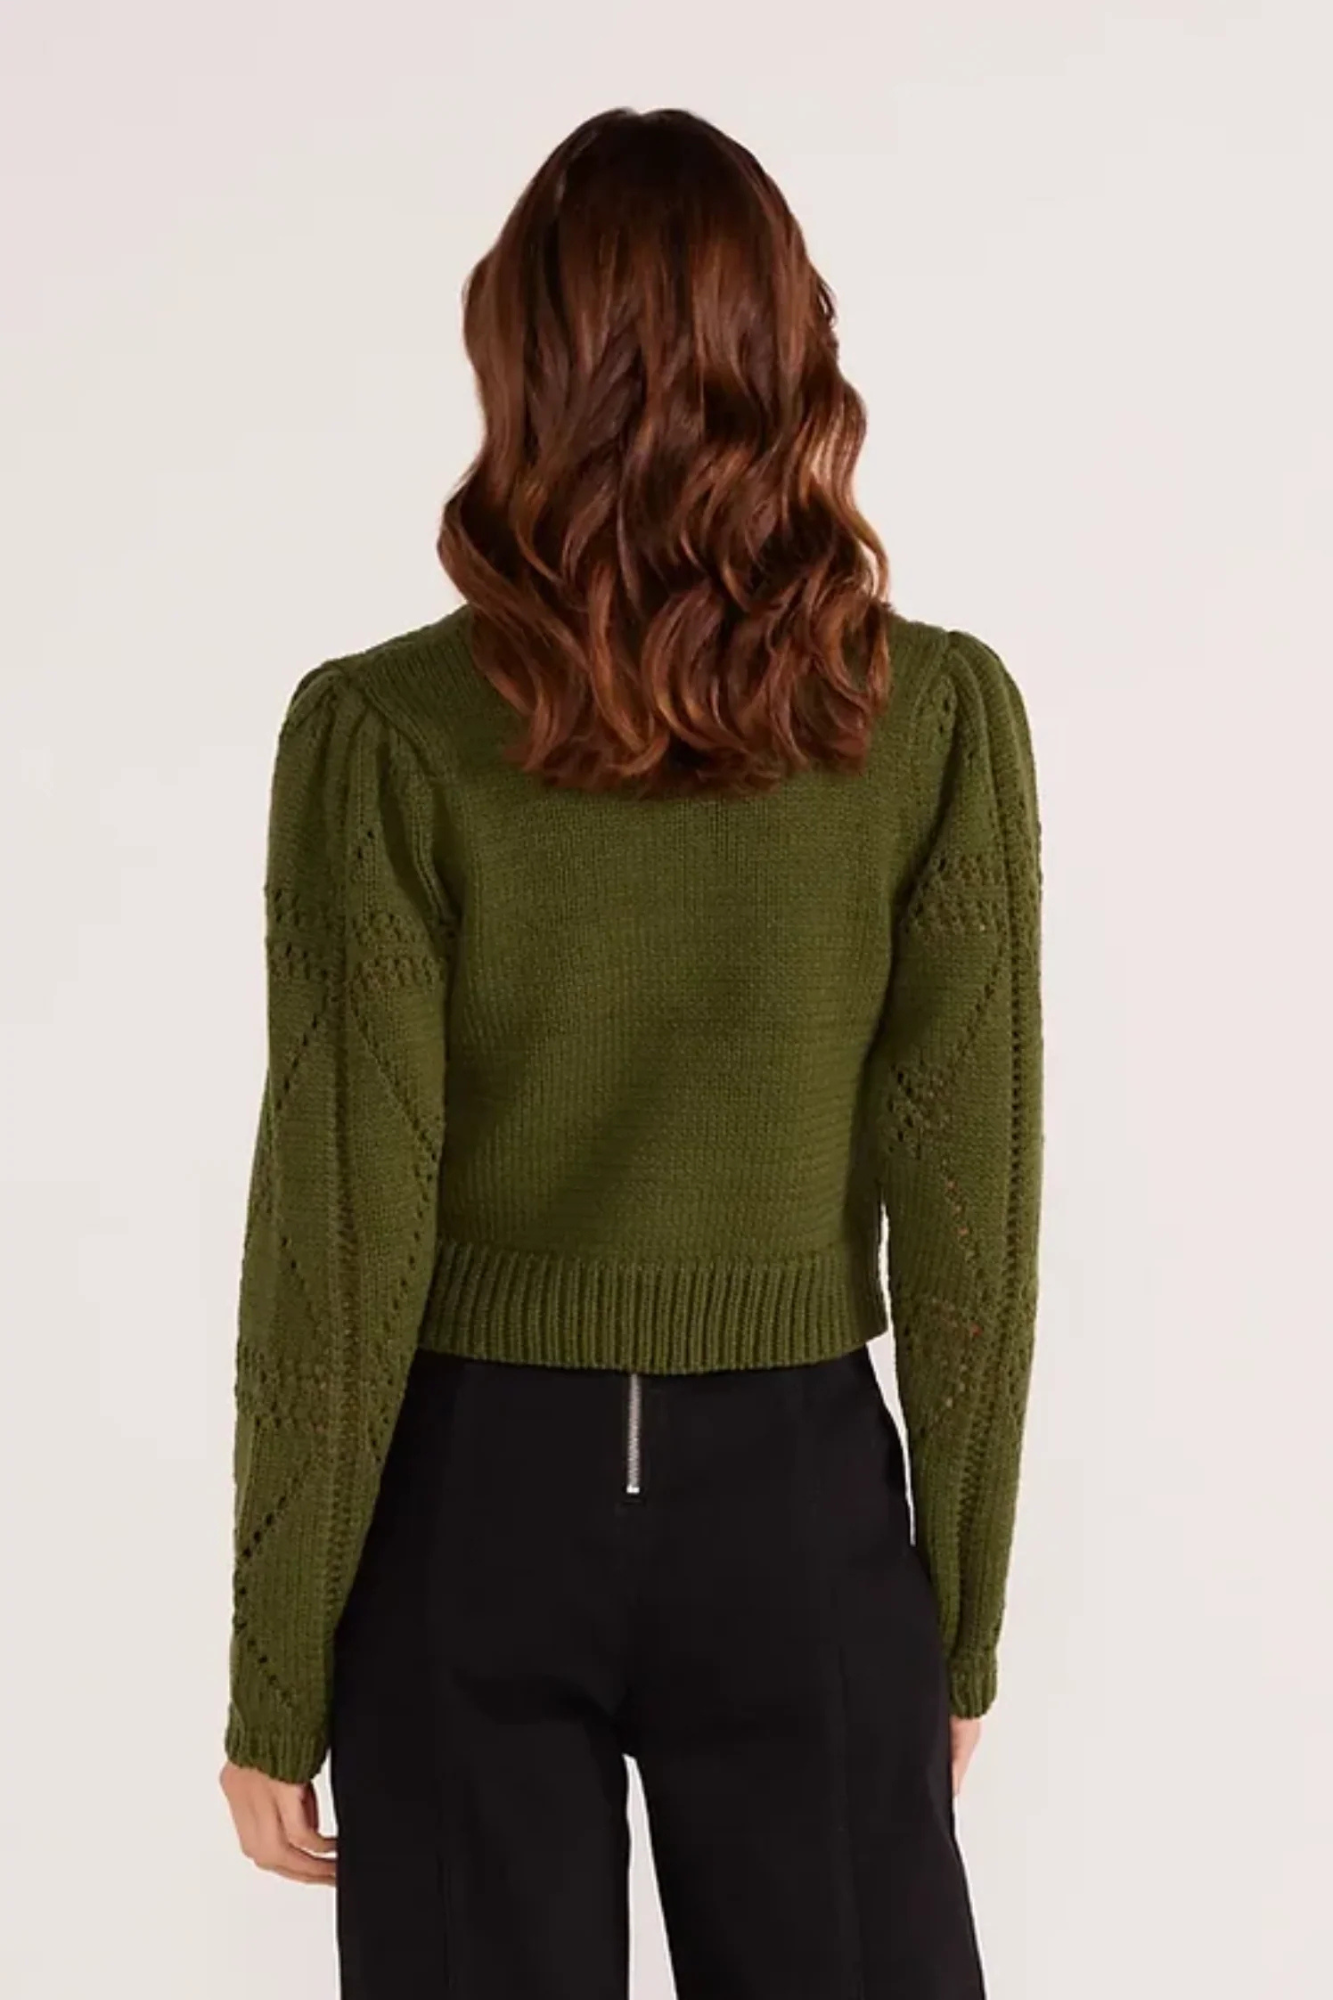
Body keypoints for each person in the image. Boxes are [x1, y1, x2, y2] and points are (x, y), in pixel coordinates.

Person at [218, 104, 1044, 2000]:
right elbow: (972, 1227)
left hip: (468, 1507)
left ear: (521, 355)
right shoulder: (929, 721)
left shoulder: (384, 733)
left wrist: (273, 1670)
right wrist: (958, 1620)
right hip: (800, 1509)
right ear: (790, 353)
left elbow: (339, 1242)